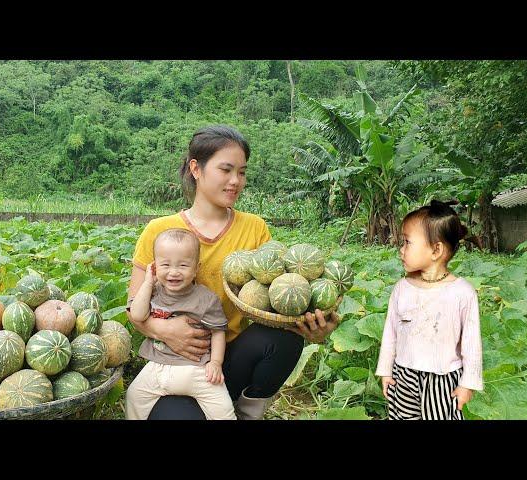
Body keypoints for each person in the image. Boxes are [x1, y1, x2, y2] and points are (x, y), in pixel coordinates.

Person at [126, 124, 341, 420]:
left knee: (284, 341)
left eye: (241, 172)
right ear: (196, 169)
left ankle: (245, 412)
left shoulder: (255, 228)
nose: (235, 181)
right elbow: (134, 304)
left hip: (229, 358)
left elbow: (273, 298)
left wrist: (310, 325)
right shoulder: (159, 231)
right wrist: (162, 330)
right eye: (226, 170)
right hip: (176, 364)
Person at [376, 200, 483, 420]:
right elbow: (390, 334)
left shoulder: (463, 293)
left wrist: (468, 384)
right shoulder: (402, 288)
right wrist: (386, 369)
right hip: (403, 375)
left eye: (407, 242)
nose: (401, 250)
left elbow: (472, 345)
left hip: (442, 380)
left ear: (436, 250)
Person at [126, 228, 236, 420]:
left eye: (183, 265)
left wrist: (216, 363)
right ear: (154, 267)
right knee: (134, 397)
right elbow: (137, 314)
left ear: (196, 268)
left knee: (224, 411)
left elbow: (218, 332)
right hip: (157, 368)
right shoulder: (153, 292)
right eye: (165, 265)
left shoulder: (206, 299)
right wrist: (148, 283)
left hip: (198, 370)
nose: (174, 272)